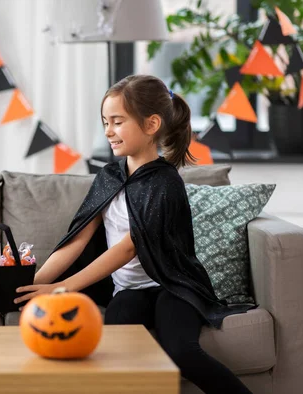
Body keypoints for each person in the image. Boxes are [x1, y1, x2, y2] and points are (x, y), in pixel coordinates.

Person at [14, 75, 254, 394]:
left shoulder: (165, 183)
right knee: (113, 351)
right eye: (105, 122)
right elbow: (78, 239)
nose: (108, 131)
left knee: (182, 352)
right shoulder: (108, 177)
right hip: (128, 289)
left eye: (117, 122)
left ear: (151, 124)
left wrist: (61, 288)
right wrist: (33, 283)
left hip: (174, 286)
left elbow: (129, 249)